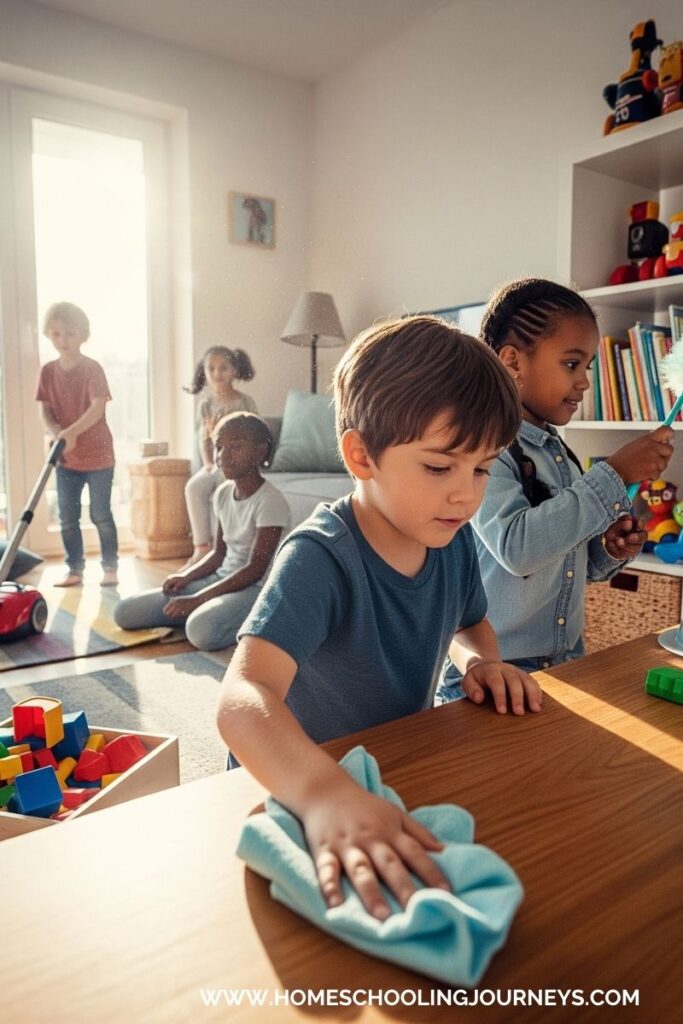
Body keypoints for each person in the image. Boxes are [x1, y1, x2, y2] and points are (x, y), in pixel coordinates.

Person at [216, 315, 542, 922]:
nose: (467, 495)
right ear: (361, 455)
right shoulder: (320, 557)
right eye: (440, 467)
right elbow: (241, 698)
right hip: (292, 784)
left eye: (482, 468)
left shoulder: (451, 539)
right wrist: (322, 793)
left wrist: (481, 662)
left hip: (388, 764)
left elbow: (469, 623)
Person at [439, 277, 674, 703]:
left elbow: (565, 562)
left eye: (588, 367)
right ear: (512, 361)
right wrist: (615, 472)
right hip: (486, 680)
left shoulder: (559, 453)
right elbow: (518, 548)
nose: (584, 382)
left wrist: (606, 550)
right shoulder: (485, 449)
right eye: (571, 364)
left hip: (561, 670)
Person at [114, 413, 289, 651]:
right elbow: (218, 553)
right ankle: (203, 611)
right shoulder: (223, 493)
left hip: (255, 591)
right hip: (221, 581)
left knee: (200, 631)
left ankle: (223, 615)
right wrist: (187, 577)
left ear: (260, 452)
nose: (223, 455)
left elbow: (255, 570)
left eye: (235, 447)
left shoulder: (270, 501)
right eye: (219, 447)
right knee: (124, 612)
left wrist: (198, 599)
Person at [36, 301, 118, 588]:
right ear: (48, 334)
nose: (63, 340)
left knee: (100, 514)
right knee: (68, 517)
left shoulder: (92, 369)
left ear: (83, 334)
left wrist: (70, 432)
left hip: (99, 457)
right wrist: (58, 433)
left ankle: (110, 567)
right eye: (56, 334)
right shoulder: (48, 371)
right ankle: (75, 569)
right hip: (66, 459)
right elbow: (45, 410)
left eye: (69, 334)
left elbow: (97, 408)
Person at [183, 345, 257, 569]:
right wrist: (207, 463)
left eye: (223, 368)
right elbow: (203, 438)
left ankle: (223, 549)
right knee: (194, 487)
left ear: (234, 370)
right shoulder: (205, 405)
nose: (217, 373)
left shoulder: (245, 402)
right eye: (211, 368)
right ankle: (201, 548)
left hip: (238, 464)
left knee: (225, 488)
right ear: (204, 372)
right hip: (216, 463)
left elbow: (255, 434)